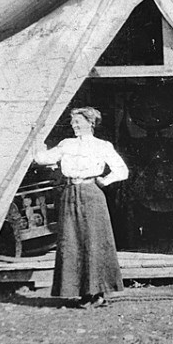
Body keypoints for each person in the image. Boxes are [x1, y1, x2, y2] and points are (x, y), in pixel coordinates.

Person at [34, 107, 128, 308]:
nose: (74, 125)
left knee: (94, 241)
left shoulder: (102, 146)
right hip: (69, 194)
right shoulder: (66, 144)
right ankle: (81, 294)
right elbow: (43, 159)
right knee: (72, 241)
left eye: (78, 122)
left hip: (91, 194)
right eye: (73, 122)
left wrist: (105, 180)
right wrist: (37, 141)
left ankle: (98, 294)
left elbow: (122, 170)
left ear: (90, 122)